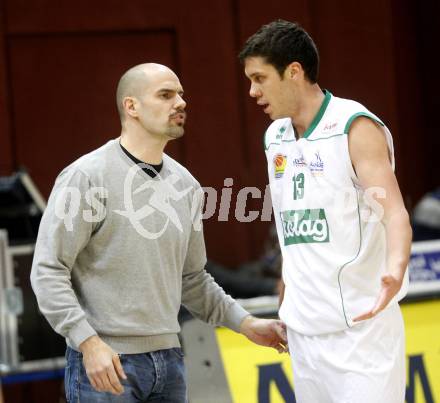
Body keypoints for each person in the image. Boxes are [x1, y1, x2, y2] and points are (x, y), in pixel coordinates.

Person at [30, 63, 287, 403]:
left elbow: (193, 280)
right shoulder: (85, 177)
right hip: (106, 363)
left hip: (170, 361)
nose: (180, 103)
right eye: (166, 95)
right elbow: (47, 271)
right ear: (131, 106)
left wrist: (246, 323)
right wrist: (87, 342)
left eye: (181, 95)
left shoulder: (186, 186)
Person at [239, 20, 412, 403]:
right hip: (303, 332)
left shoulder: (354, 126)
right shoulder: (275, 136)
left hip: (360, 331)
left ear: (294, 72)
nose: (252, 91)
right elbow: (292, 228)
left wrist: (396, 269)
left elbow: (395, 213)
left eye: (260, 78)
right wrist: (287, 294)